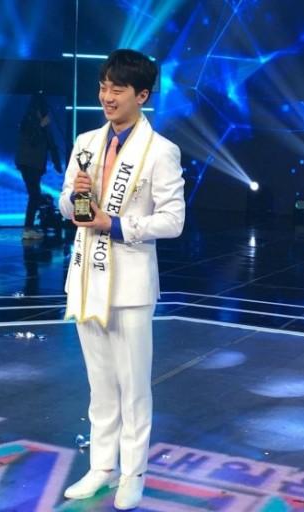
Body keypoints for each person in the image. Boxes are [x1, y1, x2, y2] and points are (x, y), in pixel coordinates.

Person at [58, 49, 185, 510]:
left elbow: (173, 220)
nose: (106, 97)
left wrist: (114, 224)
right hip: (86, 279)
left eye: (117, 89)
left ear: (142, 95)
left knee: (133, 386)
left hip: (130, 286)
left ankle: (133, 473)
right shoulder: (86, 141)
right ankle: (101, 467)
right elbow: (65, 203)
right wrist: (74, 200)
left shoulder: (160, 150)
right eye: (103, 87)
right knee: (100, 384)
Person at [16, 92, 62, 240]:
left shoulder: (43, 122)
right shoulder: (29, 120)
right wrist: (41, 125)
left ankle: (29, 228)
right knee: (34, 195)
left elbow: (51, 143)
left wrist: (56, 163)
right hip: (28, 163)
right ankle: (28, 229)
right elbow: (32, 138)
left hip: (35, 164)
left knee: (35, 195)